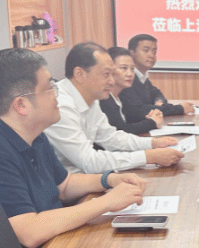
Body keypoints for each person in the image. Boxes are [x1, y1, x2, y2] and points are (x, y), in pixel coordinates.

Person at [0, 48, 147, 248]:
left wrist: (109, 180)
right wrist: (107, 202)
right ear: (21, 105)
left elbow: (64, 185)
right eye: (49, 88)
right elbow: (30, 232)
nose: (57, 94)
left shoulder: (31, 132)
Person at [45, 42, 184, 173]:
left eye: (112, 74)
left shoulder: (91, 98)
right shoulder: (60, 106)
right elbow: (89, 162)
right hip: (65, 185)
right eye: (106, 74)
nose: (112, 81)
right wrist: (147, 157)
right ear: (80, 74)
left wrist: (153, 143)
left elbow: (111, 138)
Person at [121, 34, 194, 121]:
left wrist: (159, 101)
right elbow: (138, 110)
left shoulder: (143, 77)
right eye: (146, 50)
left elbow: (157, 94)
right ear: (131, 53)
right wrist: (180, 108)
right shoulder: (126, 79)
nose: (151, 55)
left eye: (154, 52)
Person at [100, 46, 164, 135]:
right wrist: (152, 122)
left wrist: (151, 117)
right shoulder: (104, 99)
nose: (130, 74)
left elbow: (131, 118)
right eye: (124, 68)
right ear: (110, 70)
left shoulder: (121, 95)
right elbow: (121, 131)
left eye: (132, 69)